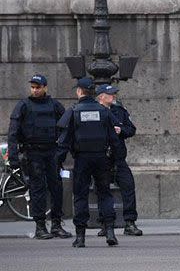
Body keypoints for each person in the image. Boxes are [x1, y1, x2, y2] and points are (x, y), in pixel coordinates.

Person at [55, 77, 124, 247]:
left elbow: (64, 140)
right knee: (105, 193)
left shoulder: (74, 111)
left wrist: (58, 161)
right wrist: (117, 160)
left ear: (79, 91)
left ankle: (80, 237)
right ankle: (110, 232)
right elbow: (114, 138)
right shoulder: (104, 111)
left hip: (82, 159)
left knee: (80, 196)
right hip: (101, 158)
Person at [7, 74, 72, 239]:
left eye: (38, 87)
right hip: (33, 153)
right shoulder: (23, 106)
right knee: (38, 190)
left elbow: (67, 127)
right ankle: (40, 226)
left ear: (45, 88)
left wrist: (62, 151)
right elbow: (13, 133)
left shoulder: (54, 105)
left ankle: (56, 224)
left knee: (56, 188)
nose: (35, 90)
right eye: (33, 87)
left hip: (52, 153)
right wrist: (13, 158)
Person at [95, 84, 143, 236]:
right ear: (101, 96)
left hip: (119, 158)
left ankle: (129, 223)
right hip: (101, 158)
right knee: (102, 191)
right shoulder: (93, 111)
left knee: (128, 188)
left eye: (114, 94)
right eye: (110, 94)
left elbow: (131, 129)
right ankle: (105, 224)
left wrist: (121, 130)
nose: (113, 96)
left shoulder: (119, 111)